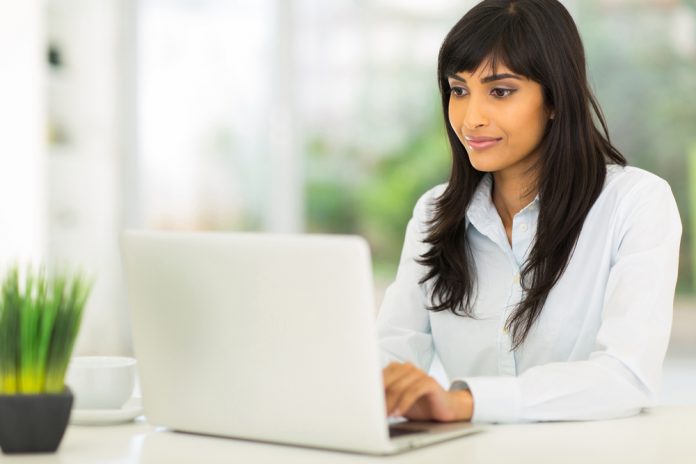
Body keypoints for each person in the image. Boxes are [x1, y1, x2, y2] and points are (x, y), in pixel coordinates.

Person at [377, 0, 682, 424]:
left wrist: (467, 402)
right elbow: (389, 358)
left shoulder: (636, 204)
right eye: (459, 90)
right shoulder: (434, 213)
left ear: (555, 98)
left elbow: (626, 375)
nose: (470, 118)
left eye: (500, 91)